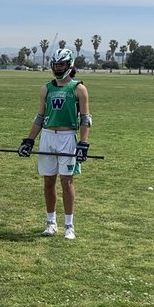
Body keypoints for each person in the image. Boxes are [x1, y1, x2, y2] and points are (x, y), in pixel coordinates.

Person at [18, 47, 92, 240]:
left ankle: (69, 225)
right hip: (48, 138)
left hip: (67, 138)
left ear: (70, 65)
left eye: (62, 64)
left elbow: (85, 119)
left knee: (66, 182)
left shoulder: (79, 89)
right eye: (56, 64)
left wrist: (83, 143)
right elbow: (40, 117)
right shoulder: (46, 88)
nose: (58, 68)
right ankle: (51, 222)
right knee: (48, 181)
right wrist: (29, 140)